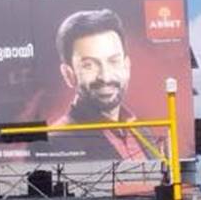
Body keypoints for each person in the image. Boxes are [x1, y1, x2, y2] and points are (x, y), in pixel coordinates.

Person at [51, 9, 146, 161]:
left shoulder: (144, 131)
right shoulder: (54, 142)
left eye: (113, 61)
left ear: (126, 66)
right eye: (89, 65)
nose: (105, 76)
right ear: (69, 74)